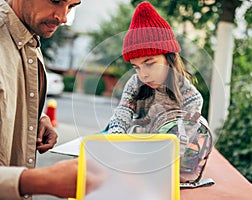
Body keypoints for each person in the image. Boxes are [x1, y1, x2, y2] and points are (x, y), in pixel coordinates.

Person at [0, 0, 103, 199]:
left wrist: (36, 117)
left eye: (72, 6)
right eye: (56, 1)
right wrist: (39, 181)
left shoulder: (29, 35)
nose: (63, 18)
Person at [108, 1, 203, 134]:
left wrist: (181, 133)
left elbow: (194, 103)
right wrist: (117, 129)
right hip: (139, 143)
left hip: (171, 145)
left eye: (149, 63)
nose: (143, 75)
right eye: (137, 67)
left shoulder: (180, 84)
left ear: (170, 58)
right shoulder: (135, 84)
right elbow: (124, 109)